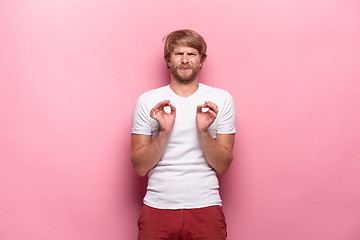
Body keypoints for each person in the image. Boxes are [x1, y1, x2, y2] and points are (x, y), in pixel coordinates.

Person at [131, 29, 236, 240]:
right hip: (158, 207)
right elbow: (140, 167)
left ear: (201, 61)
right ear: (168, 61)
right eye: (178, 54)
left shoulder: (221, 100)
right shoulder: (148, 101)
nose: (185, 60)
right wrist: (163, 133)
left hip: (205, 206)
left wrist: (203, 132)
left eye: (192, 53)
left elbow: (223, 165)